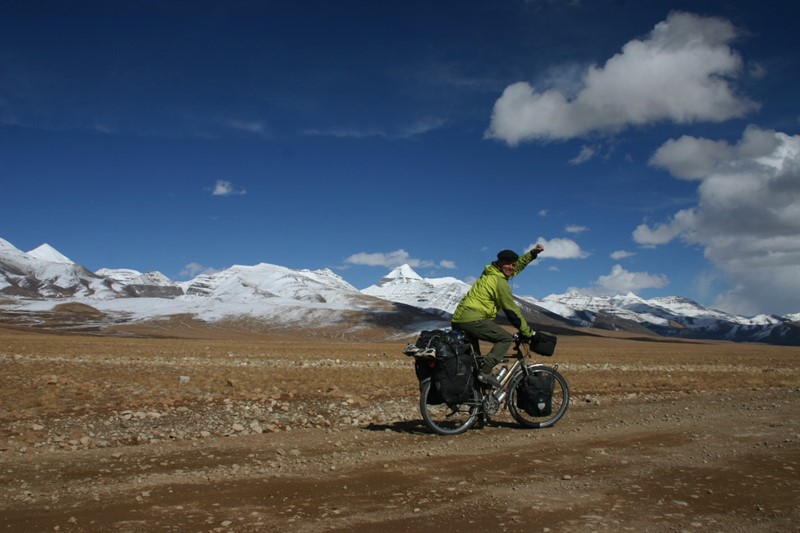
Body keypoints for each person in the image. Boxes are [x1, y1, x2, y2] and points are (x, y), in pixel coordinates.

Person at [451, 244, 545, 388]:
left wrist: (532, 253)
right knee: (505, 339)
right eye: (507, 264)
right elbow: (511, 311)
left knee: (474, 360)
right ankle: (485, 373)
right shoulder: (499, 282)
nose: (511, 267)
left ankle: (476, 399)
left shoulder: (490, 272)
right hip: (472, 319)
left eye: (513, 264)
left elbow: (515, 267)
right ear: (499, 263)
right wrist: (527, 332)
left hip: (459, 319)